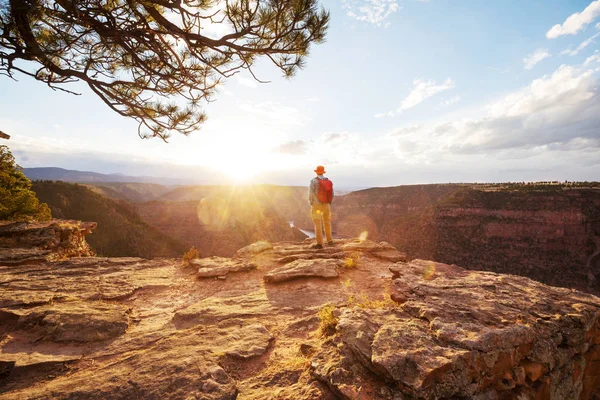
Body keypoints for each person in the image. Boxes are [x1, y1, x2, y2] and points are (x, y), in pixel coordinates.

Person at [308, 165, 334, 249]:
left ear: (316, 172)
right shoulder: (328, 181)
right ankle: (330, 240)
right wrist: (328, 202)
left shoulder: (313, 181)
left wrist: (311, 202)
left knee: (318, 223)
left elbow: (311, 194)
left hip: (316, 204)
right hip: (326, 204)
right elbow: (332, 194)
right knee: (327, 222)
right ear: (323, 172)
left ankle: (319, 243)